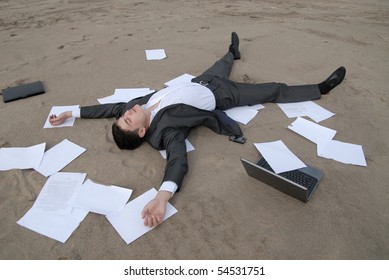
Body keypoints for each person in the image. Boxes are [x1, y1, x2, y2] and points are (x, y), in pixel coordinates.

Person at [49, 32, 346, 228]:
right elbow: (178, 159)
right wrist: (163, 196)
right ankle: (320, 88)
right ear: (141, 133)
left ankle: (233, 52)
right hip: (223, 95)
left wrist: (70, 112)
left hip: (201, 80)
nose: (127, 113)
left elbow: (107, 108)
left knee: (221, 62)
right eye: (127, 120)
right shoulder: (165, 133)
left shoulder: (135, 106)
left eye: (124, 116)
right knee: (271, 90)